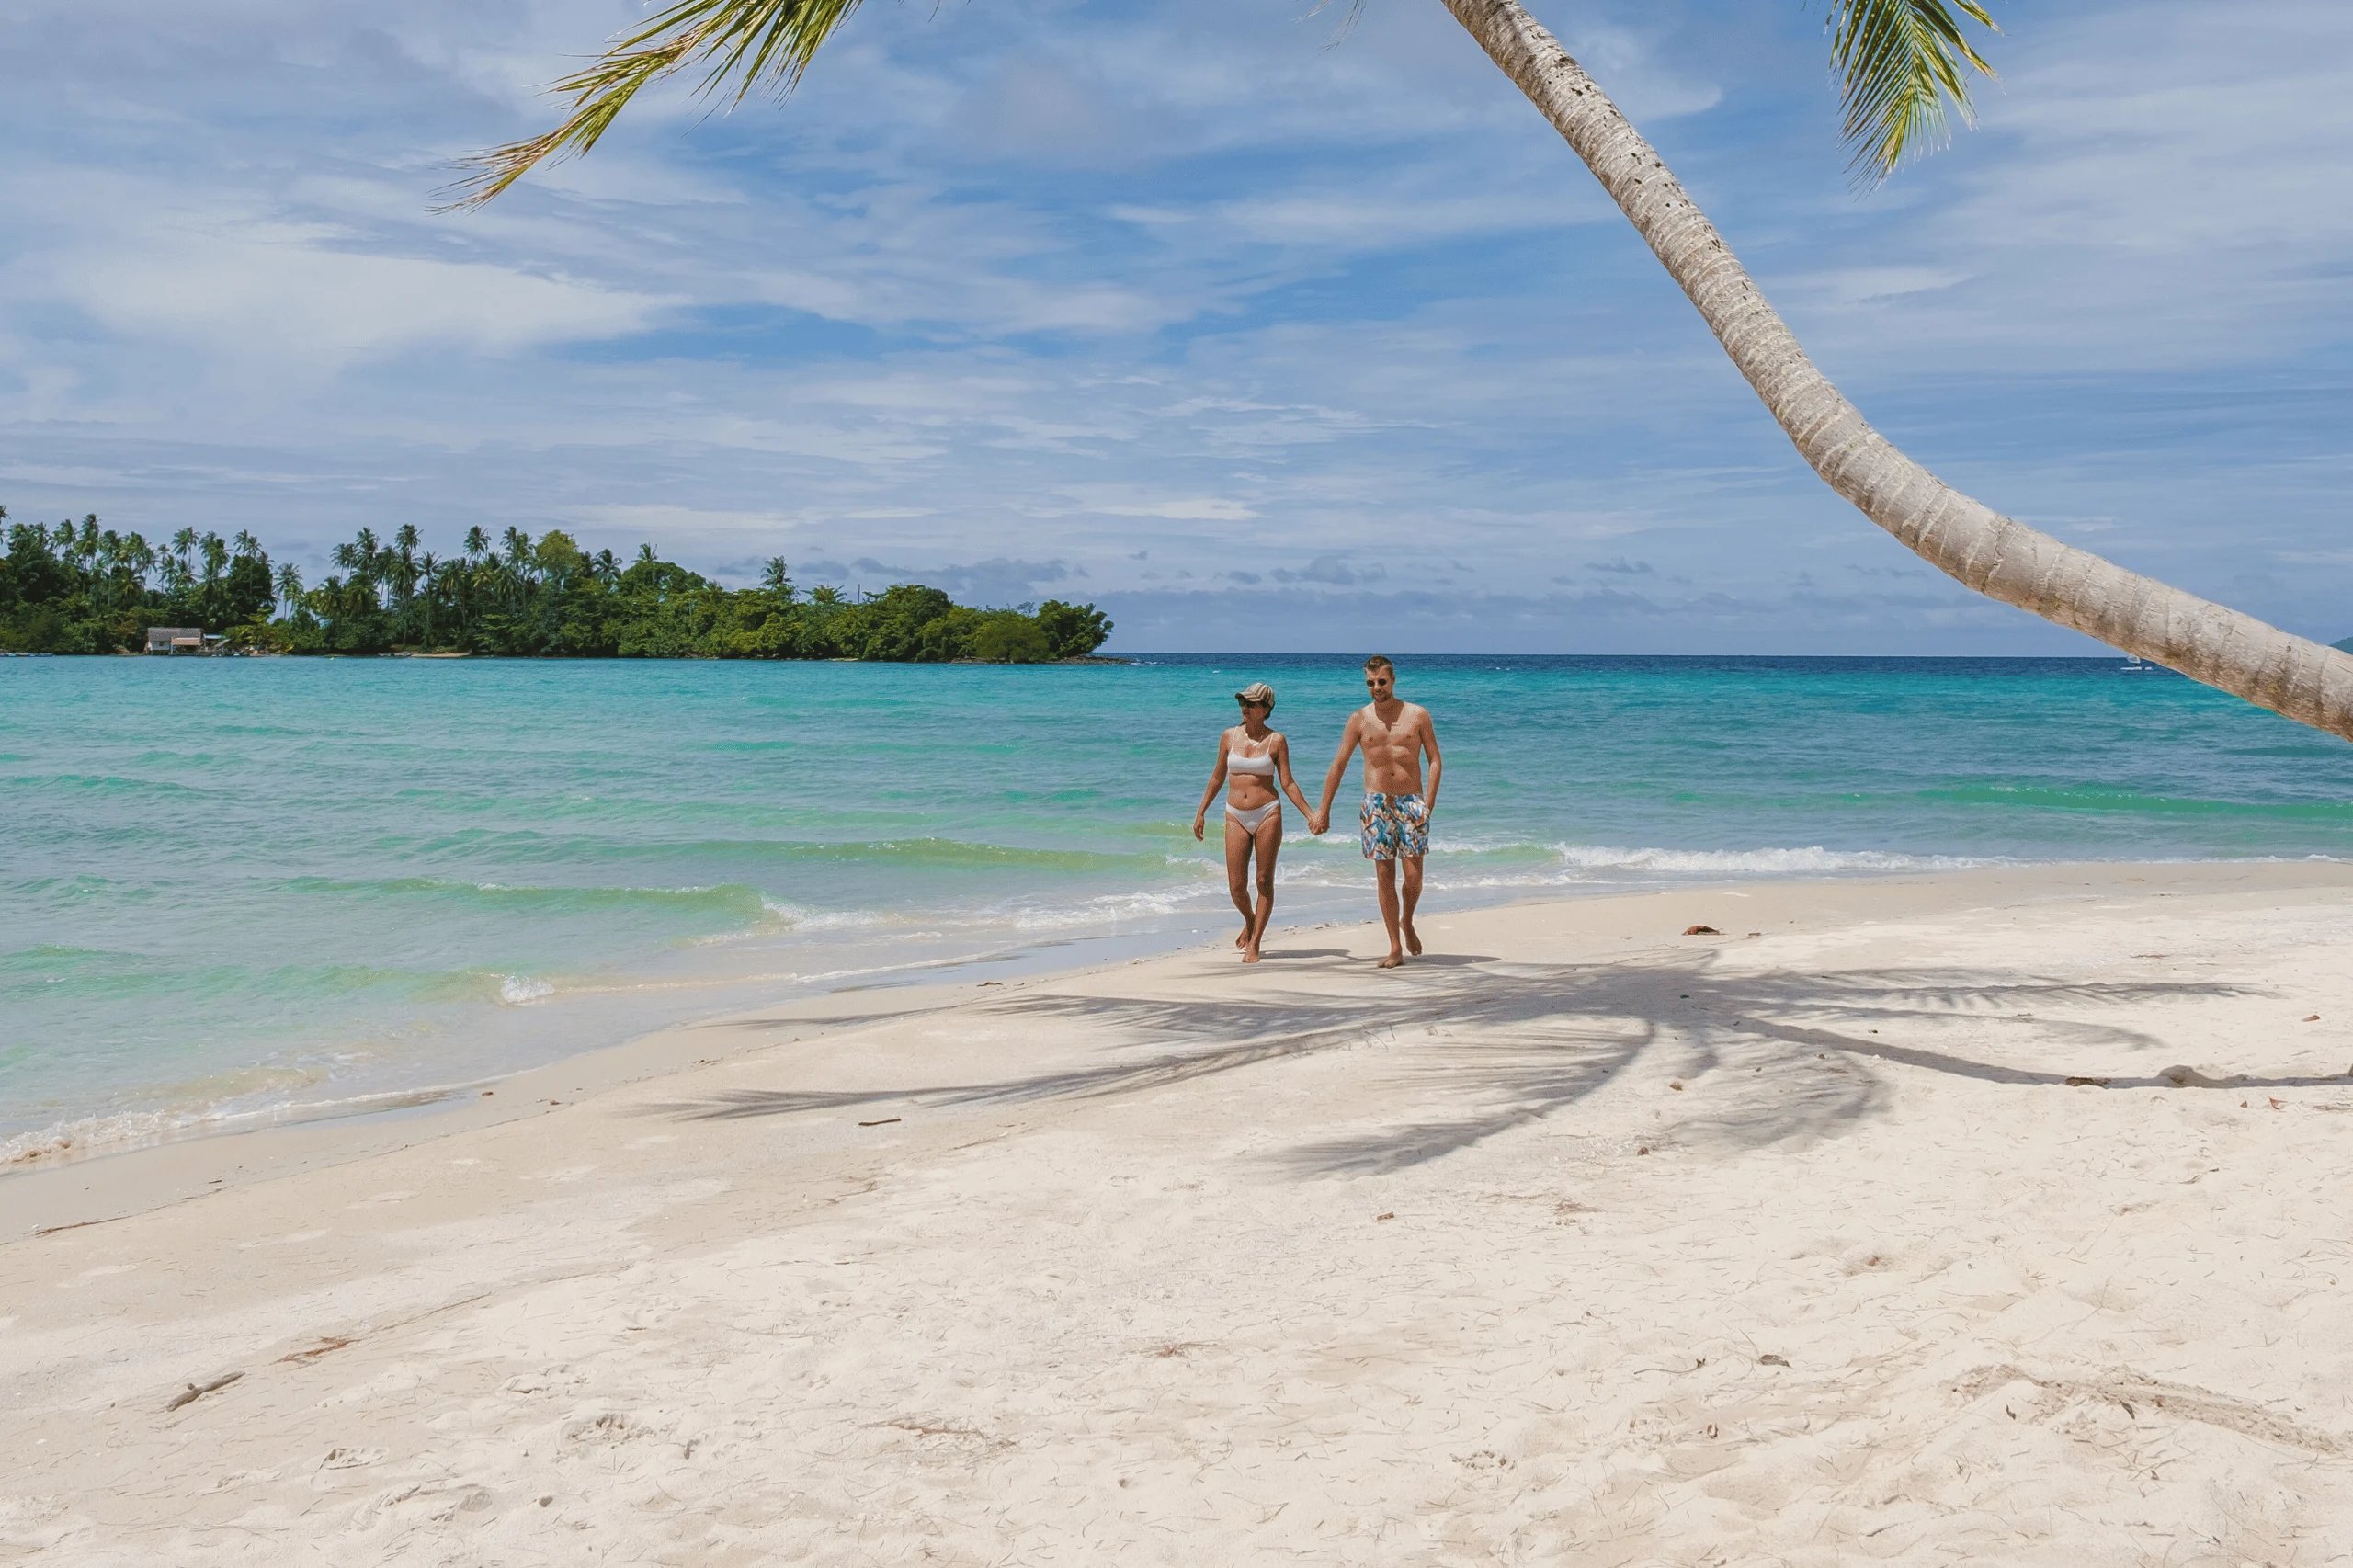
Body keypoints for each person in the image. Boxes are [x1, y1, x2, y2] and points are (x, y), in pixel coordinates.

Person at [1311, 655, 1443, 968]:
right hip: (1376, 804)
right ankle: (1395, 947)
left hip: (1412, 802)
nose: (1376, 688)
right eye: (1370, 683)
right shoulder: (1359, 719)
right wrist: (1323, 810)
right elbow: (1339, 765)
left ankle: (1406, 920)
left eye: (1381, 682)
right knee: (1384, 876)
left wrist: (1429, 803)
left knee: (1413, 877)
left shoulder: (1417, 715)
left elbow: (1435, 760)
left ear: (1393, 679)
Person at [1193, 681, 1321, 963]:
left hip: (1267, 813)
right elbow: (1217, 777)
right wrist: (1201, 811)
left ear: (1266, 709)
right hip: (1234, 814)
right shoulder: (1229, 736)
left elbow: (1287, 782)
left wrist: (1310, 814)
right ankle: (1250, 920)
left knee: (1264, 880)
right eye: (1243, 703)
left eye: (1251, 704)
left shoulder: (1277, 741)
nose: (1245, 708)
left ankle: (1256, 943)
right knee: (1236, 886)